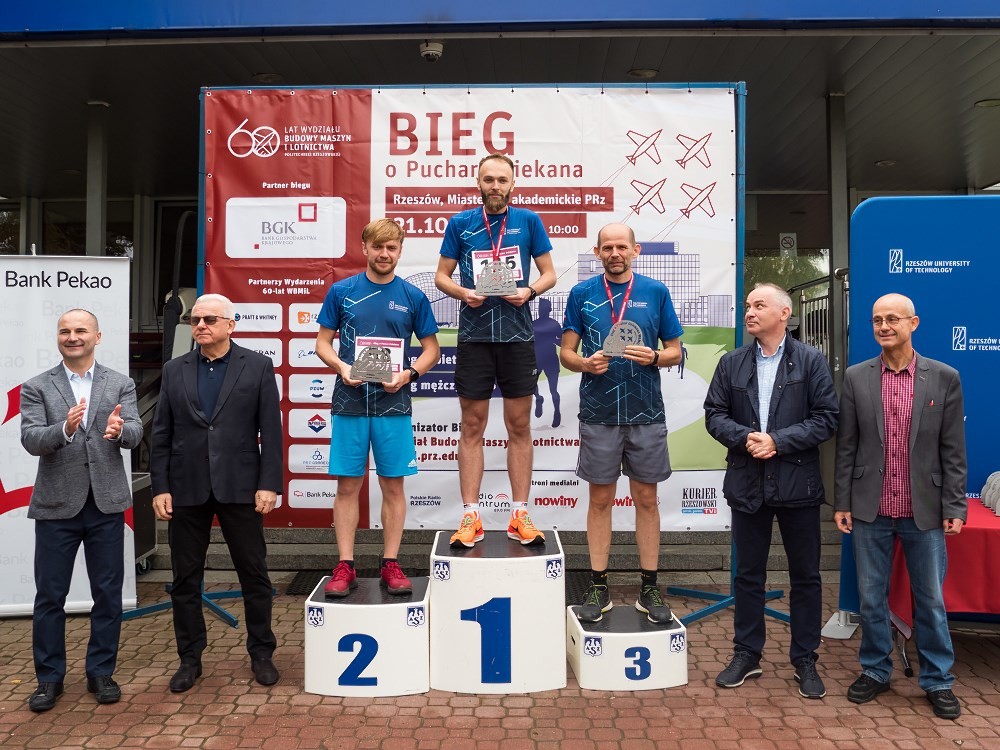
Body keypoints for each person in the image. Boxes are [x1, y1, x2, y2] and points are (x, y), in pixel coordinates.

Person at [834, 293, 966, 720]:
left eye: (892, 319)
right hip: (869, 508)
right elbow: (847, 446)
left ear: (914, 323)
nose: (884, 326)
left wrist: (954, 506)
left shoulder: (944, 377)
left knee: (929, 600)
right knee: (871, 599)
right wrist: (842, 500)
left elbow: (953, 450)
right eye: (877, 320)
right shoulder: (856, 377)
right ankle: (875, 670)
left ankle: (938, 680)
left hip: (923, 510)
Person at [704, 282, 838, 699]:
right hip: (748, 483)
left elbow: (827, 418)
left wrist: (778, 440)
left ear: (784, 313)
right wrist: (746, 437)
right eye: (747, 305)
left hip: (799, 485)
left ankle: (805, 659)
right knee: (748, 575)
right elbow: (714, 414)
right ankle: (747, 654)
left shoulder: (811, 361)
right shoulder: (731, 363)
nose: (750, 311)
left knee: (806, 576)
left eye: (759, 305)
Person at [150, 293, 283, 692]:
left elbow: (270, 431)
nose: (201, 326)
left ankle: (262, 653)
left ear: (230, 325)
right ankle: (189, 659)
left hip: (240, 486)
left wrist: (268, 483)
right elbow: (161, 434)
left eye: (209, 319)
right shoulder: (174, 370)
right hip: (186, 487)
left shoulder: (257, 366)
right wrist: (160, 487)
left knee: (254, 574)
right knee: (185, 579)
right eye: (195, 320)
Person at [19, 309, 143, 712]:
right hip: (56, 506)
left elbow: (136, 431)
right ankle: (49, 679)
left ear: (97, 336)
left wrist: (119, 431)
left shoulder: (120, 383)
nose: (72, 337)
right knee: (49, 597)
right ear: (58, 337)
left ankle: (100, 672)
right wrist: (65, 429)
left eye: (80, 330)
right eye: (65, 331)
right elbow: (31, 439)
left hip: (106, 505)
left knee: (107, 594)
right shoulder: (37, 386)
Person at [560, 223, 683, 624]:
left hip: (646, 412)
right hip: (599, 414)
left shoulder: (656, 291)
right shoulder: (581, 293)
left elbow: (676, 352)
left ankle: (650, 587)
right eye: (607, 247)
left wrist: (655, 357)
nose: (615, 253)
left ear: (635, 249)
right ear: (597, 252)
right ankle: (599, 586)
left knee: (646, 499)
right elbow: (566, 353)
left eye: (621, 247)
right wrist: (584, 363)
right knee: (600, 501)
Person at [434, 152, 557, 547]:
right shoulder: (461, 223)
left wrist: (529, 291)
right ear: (478, 183)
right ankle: (471, 516)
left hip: (518, 338)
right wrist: (463, 292)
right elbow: (441, 276)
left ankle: (519, 514)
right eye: (489, 179)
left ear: (513, 184)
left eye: (502, 180)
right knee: (472, 427)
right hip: (474, 338)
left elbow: (550, 274)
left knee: (519, 427)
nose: (495, 186)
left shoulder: (529, 221)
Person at [315, 219, 440, 597]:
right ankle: (345, 565)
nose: (384, 254)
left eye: (392, 248)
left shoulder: (412, 296)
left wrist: (408, 374)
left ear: (400, 251)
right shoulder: (342, 291)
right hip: (349, 401)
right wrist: (342, 367)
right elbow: (322, 343)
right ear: (365, 248)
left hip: (393, 403)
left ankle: (390, 563)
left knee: (393, 486)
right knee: (347, 485)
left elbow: (432, 349)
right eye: (378, 247)